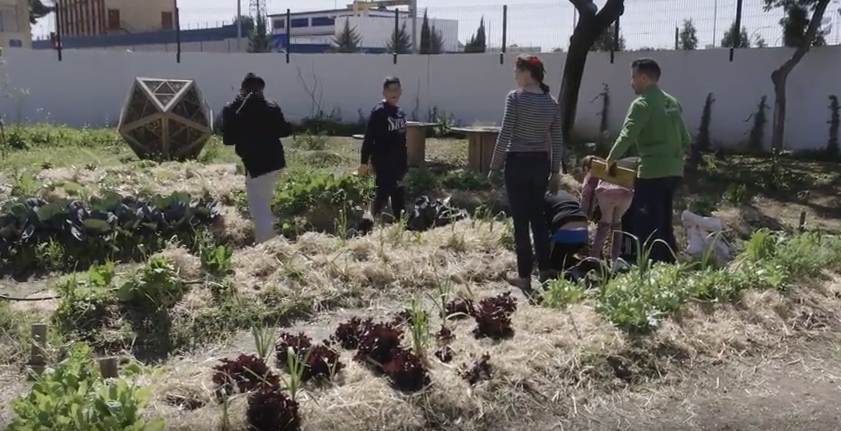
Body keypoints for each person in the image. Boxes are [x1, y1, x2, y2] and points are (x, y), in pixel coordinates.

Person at [487, 55, 564, 289]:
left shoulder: (516, 98)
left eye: (516, 71)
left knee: (521, 222)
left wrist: (494, 165)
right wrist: (555, 171)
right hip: (540, 164)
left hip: (517, 163)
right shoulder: (551, 103)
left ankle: (524, 277)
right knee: (538, 218)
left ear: (527, 73)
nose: (515, 76)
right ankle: (545, 269)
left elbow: (505, 133)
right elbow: (557, 140)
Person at [605, 58, 690, 264]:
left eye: (633, 77)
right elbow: (686, 139)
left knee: (644, 221)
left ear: (644, 78)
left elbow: (627, 134)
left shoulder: (642, 103)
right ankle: (668, 263)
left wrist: (610, 159)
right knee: (664, 219)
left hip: (652, 172)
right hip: (674, 172)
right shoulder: (671, 101)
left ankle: (647, 266)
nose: (631, 82)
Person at [221, 73, 291, 244]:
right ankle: (268, 238)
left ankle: (265, 244)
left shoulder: (233, 109)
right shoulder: (271, 106)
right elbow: (285, 130)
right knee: (264, 201)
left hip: (256, 164)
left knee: (259, 205)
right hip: (276, 161)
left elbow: (228, 139)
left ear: (242, 89)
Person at [358, 76, 408, 224]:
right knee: (382, 195)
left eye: (396, 89)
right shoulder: (379, 112)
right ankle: (364, 226)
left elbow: (402, 140)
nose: (394, 92)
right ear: (384, 93)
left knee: (398, 194)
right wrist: (364, 163)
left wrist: (405, 164)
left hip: (398, 163)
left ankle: (402, 227)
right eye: (390, 89)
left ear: (401, 91)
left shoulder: (400, 113)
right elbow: (369, 139)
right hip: (383, 161)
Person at [579, 155, 633, 270]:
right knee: (617, 224)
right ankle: (615, 259)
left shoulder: (591, 174)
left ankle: (594, 258)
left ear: (585, 168)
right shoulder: (610, 170)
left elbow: (586, 196)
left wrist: (583, 216)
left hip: (606, 194)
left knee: (604, 224)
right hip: (627, 194)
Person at [544, 190, 590, 276]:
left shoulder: (543, 197)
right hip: (583, 228)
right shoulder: (564, 193)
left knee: (552, 268)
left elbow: (544, 227)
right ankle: (576, 268)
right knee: (566, 255)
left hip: (564, 224)